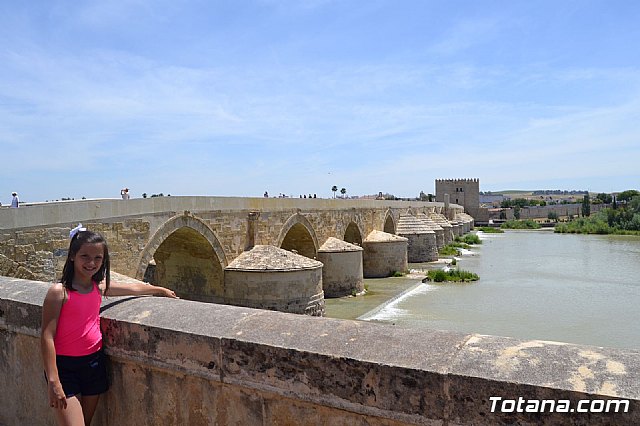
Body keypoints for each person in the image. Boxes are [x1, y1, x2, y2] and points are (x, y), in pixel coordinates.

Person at [40, 225, 178, 425]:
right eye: (85, 256)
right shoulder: (59, 292)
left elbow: (132, 288)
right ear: (72, 256)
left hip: (93, 363)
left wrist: (159, 290)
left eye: (98, 258)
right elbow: (47, 336)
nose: (91, 263)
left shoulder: (98, 287)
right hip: (64, 368)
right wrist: (53, 379)